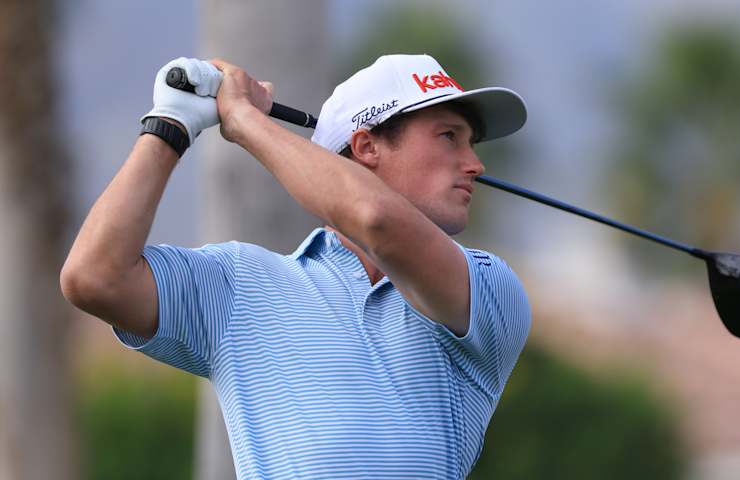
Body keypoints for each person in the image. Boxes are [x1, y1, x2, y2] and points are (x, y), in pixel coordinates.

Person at [61, 54, 531, 479]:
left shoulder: (488, 287)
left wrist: (242, 119)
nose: (476, 164)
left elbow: (376, 219)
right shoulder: (239, 284)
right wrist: (170, 124)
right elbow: (95, 277)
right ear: (366, 147)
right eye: (450, 137)